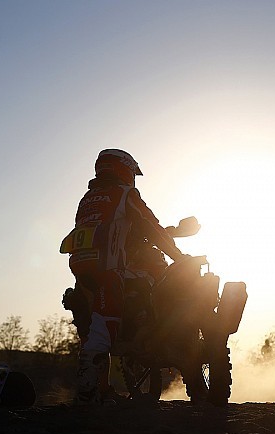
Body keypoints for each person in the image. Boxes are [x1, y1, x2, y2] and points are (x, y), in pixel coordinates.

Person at [60, 149, 184, 404]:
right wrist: (178, 256)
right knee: (105, 325)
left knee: (93, 325)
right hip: (109, 265)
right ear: (124, 170)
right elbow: (152, 226)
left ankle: (103, 390)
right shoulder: (126, 194)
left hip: (80, 267)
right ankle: (88, 394)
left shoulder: (88, 198)